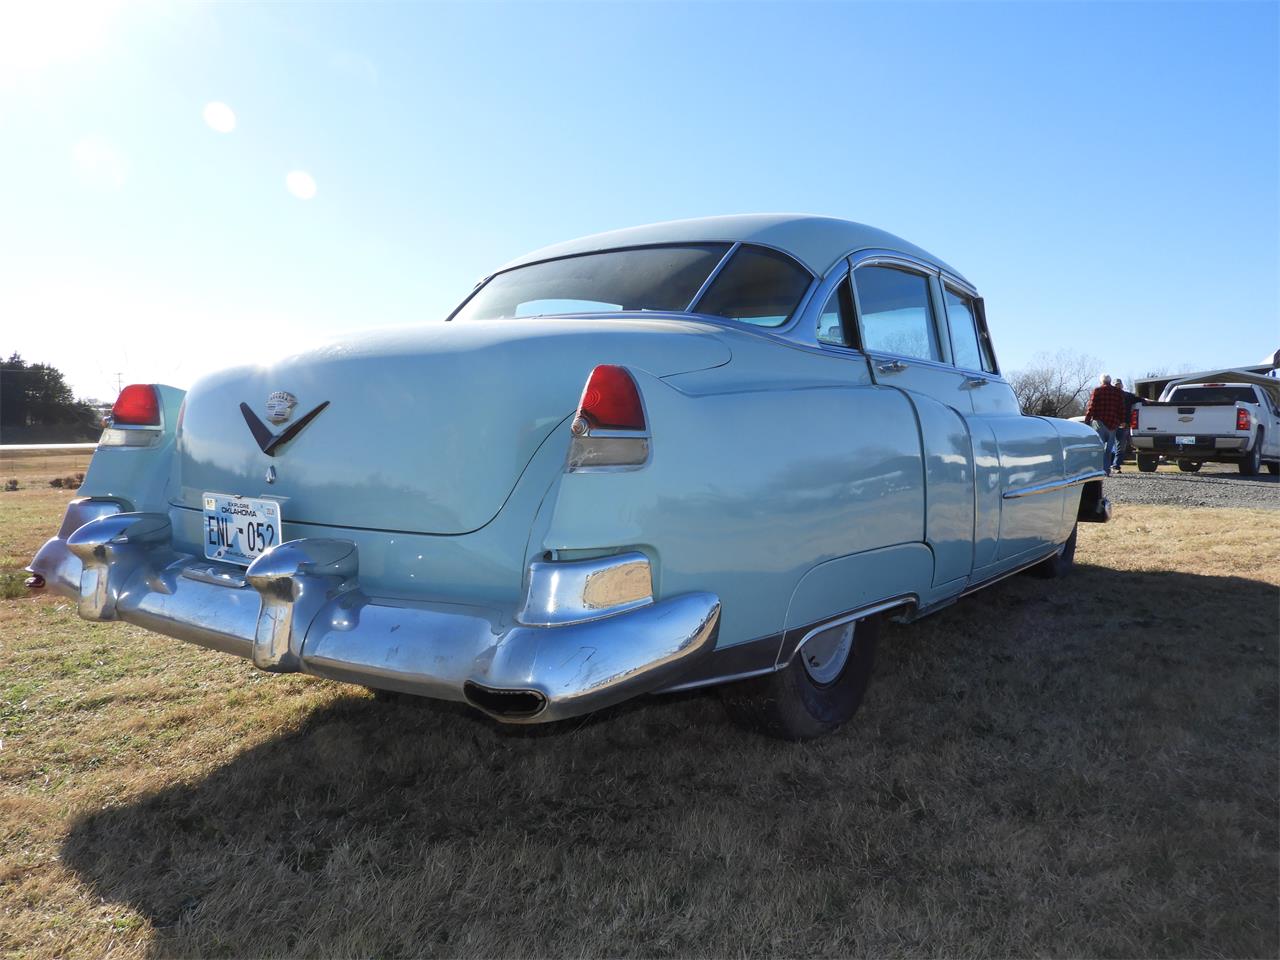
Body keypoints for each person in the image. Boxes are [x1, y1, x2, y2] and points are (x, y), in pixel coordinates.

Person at [1083, 374, 1126, 476]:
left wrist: (1087, 420)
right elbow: (1122, 408)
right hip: (1113, 423)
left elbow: (1091, 407)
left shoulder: (1097, 390)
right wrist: (1123, 421)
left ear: (1101, 381)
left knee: (1099, 447)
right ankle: (1106, 470)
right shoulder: (1118, 392)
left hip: (1099, 422)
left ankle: (1098, 470)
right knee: (1109, 448)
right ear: (1110, 381)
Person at [1112, 378, 1141, 472]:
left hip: (1124, 424)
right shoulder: (1109, 396)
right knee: (1108, 447)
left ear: (1122, 385)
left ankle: (1116, 466)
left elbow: (1137, 398)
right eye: (1116, 384)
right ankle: (1106, 467)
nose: (1118, 386)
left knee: (1121, 447)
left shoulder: (1127, 396)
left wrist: (1145, 400)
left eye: (1119, 384)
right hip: (1110, 424)